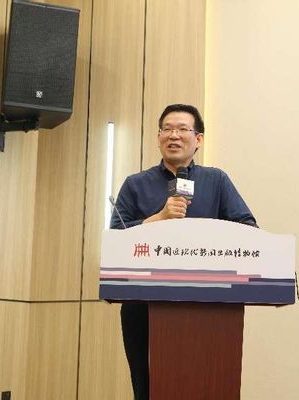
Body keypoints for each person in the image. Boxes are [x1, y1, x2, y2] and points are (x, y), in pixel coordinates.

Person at [110, 104, 256, 400]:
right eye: (167, 129)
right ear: (158, 137)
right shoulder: (136, 184)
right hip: (143, 305)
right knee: (148, 388)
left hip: (208, 303)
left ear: (198, 139)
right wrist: (159, 218)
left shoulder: (216, 180)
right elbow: (115, 240)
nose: (173, 136)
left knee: (208, 383)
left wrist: (204, 236)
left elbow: (248, 228)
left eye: (182, 129)